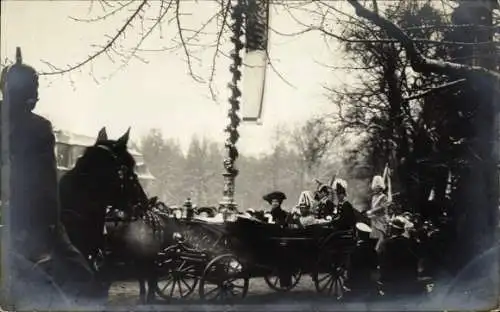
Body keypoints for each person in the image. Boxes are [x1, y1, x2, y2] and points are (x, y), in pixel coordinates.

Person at [0, 50, 105, 305]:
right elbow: (45, 186)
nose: (38, 95)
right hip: (33, 229)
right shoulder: (38, 128)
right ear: (27, 93)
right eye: (35, 87)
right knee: (82, 283)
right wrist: (49, 230)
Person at [377, 217, 420, 298]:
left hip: (392, 281)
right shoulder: (409, 242)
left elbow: (380, 259)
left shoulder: (386, 243)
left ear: (393, 229)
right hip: (408, 279)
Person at [366, 175, 392, 253]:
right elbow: (372, 207)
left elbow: (382, 207)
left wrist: (372, 211)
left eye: (377, 187)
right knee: (374, 239)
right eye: (374, 187)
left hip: (381, 220)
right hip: (374, 220)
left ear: (380, 187)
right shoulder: (373, 197)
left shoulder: (384, 197)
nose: (375, 189)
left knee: (381, 240)